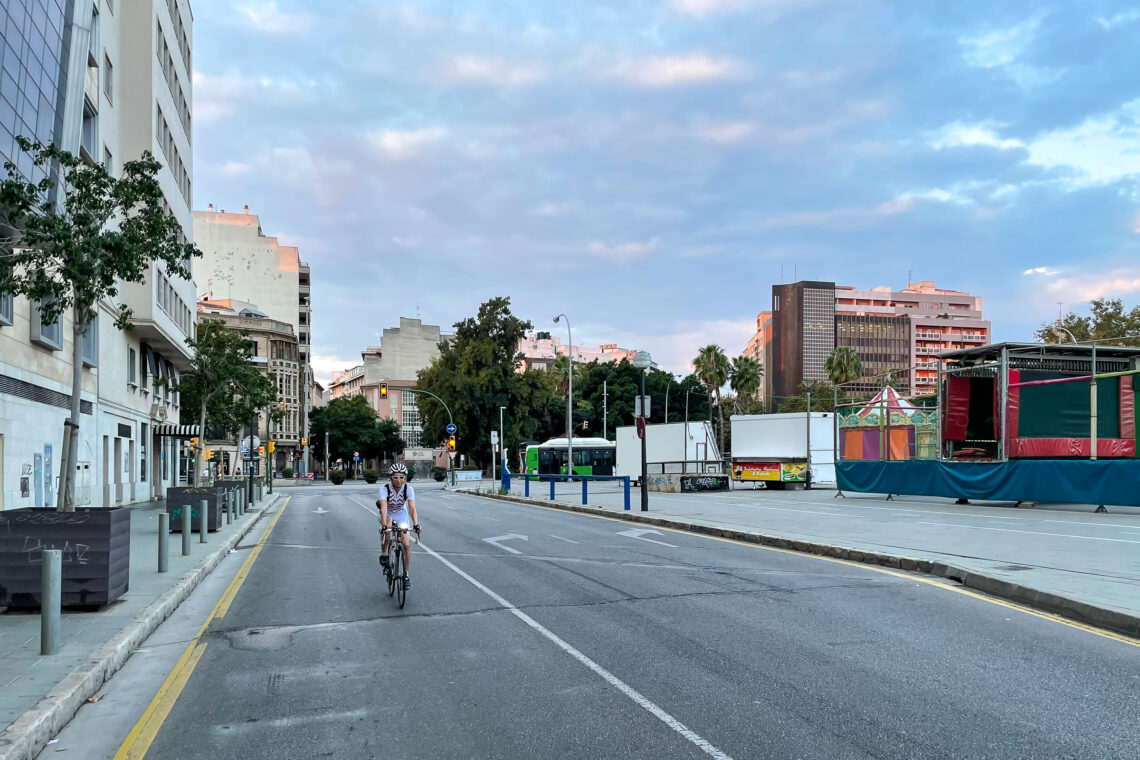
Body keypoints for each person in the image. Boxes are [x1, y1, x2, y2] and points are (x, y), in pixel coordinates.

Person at [376, 463, 420, 589]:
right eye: (395, 477)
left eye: (401, 477)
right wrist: (384, 525)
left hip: (401, 513)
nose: (398, 481)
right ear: (390, 478)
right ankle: (385, 554)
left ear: (405, 478)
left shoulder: (408, 489)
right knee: (388, 527)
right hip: (388, 514)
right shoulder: (384, 489)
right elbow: (384, 508)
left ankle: (406, 575)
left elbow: (412, 508)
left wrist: (416, 523)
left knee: (406, 544)